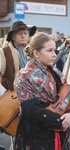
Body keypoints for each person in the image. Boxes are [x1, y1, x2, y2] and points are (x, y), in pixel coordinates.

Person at [13, 32, 70, 150]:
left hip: (61, 133)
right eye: (50, 51)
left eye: (54, 50)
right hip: (36, 134)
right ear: (36, 53)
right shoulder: (24, 76)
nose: (54, 54)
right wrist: (59, 121)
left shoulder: (56, 72)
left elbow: (68, 99)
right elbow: (30, 108)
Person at [0, 20, 36, 150]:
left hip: (32, 101)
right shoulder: (4, 52)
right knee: (17, 137)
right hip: (13, 102)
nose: (23, 36)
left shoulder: (32, 53)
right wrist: (4, 96)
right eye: (19, 33)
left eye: (25, 33)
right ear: (13, 36)